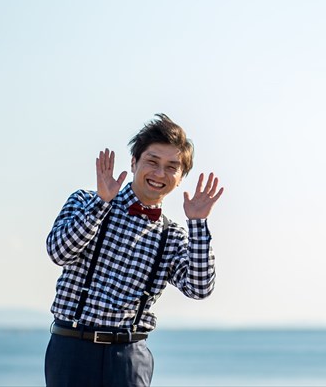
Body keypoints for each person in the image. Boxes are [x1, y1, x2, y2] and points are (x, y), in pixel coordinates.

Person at [44, 114, 223, 387]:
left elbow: (199, 288)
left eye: (171, 167)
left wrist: (198, 224)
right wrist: (101, 203)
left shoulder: (172, 236)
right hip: (73, 348)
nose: (160, 174)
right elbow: (59, 252)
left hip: (129, 357)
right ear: (134, 162)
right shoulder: (85, 201)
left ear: (180, 178)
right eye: (152, 161)